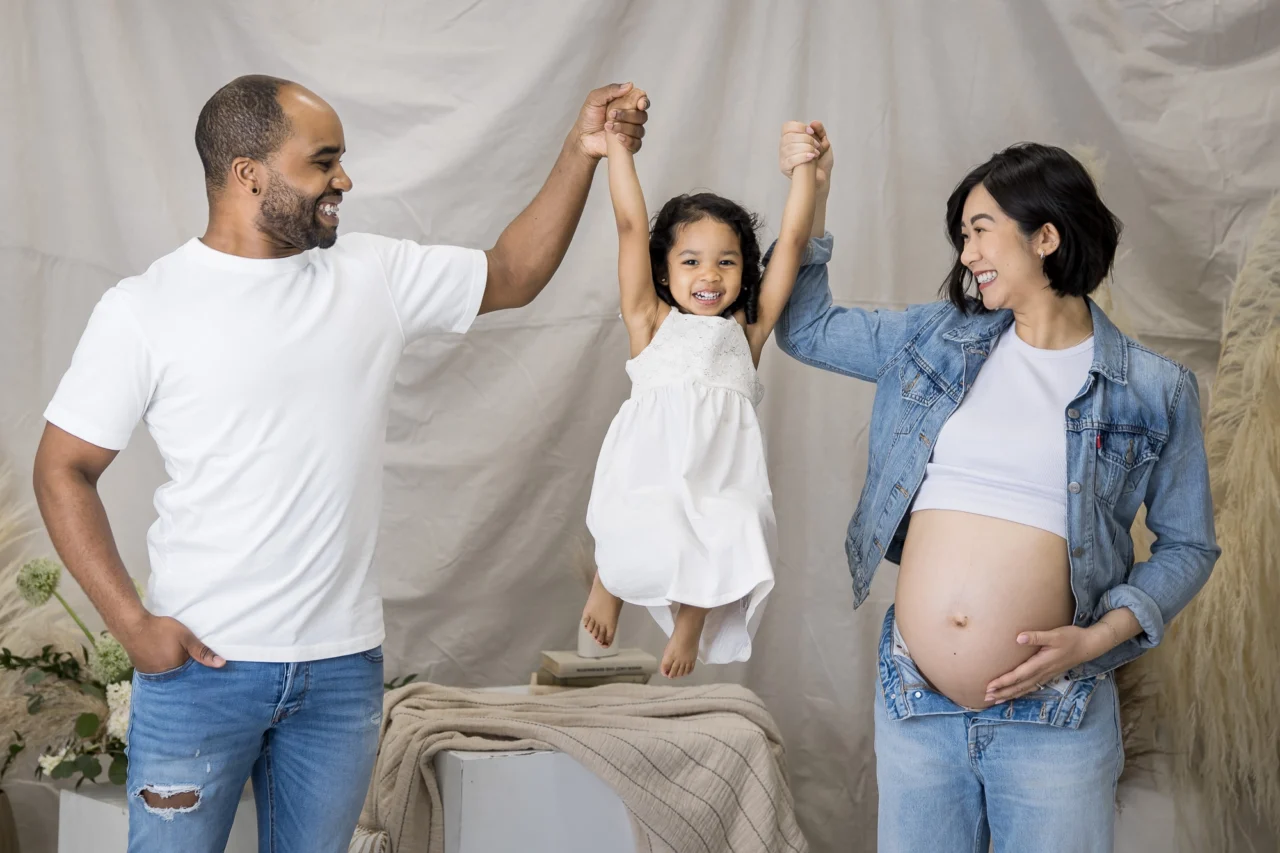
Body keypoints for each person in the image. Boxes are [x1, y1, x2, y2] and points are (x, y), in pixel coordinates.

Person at [31, 74, 649, 853]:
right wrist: (131, 625)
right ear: (249, 174)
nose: (345, 180)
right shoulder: (145, 306)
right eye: (324, 162)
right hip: (199, 677)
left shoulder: (371, 275)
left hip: (340, 673)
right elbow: (62, 468)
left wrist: (580, 150)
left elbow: (514, 272)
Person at [773, 129, 1219, 850]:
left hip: (1057, 718)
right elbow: (808, 328)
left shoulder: (1153, 389)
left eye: (980, 231)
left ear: (1046, 235)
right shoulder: (936, 339)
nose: (967, 254)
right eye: (962, 236)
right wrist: (813, 192)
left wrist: (1099, 637)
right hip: (916, 701)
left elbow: (1190, 543)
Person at [580, 94, 821, 678]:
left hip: (721, 468)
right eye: (690, 262)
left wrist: (804, 170)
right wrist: (617, 146)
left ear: (745, 272)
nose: (709, 276)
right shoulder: (650, 319)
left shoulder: (749, 328)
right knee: (650, 511)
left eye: (727, 263)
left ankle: (692, 621)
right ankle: (608, 583)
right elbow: (631, 224)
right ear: (663, 271)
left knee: (735, 524)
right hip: (653, 457)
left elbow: (791, 242)